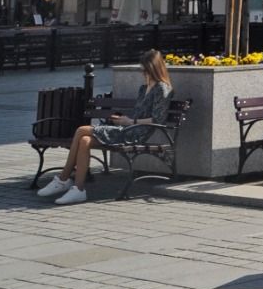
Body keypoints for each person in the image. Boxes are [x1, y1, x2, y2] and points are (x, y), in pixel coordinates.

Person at [38, 49, 173, 206]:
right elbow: (137, 113)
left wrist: (130, 122)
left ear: (154, 68)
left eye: (145, 69)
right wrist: (121, 120)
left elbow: (158, 119)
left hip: (136, 133)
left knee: (82, 130)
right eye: (142, 69)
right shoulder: (144, 88)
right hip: (127, 128)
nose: (143, 72)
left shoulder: (162, 89)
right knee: (85, 141)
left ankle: (63, 179)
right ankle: (78, 190)